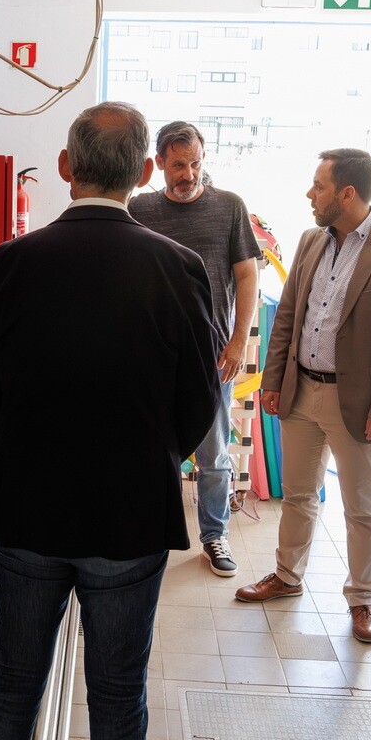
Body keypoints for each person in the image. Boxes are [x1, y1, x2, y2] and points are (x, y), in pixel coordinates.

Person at [0, 101, 220, 740]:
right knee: (117, 692)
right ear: (144, 173)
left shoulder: (8, 264)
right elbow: (197, 402)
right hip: (126, 516)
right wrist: (145, 456)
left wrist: (35, 447)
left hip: (30, 506)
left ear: (67, 166)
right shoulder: (179, 267)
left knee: (14, 679)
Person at [233, 149, 371, 644]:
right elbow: (291, 317)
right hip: (301, 392)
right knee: (297, 496)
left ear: (347, 193)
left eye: (318, 186)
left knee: (363, 509)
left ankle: (363, 600)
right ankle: (286, 576)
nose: (309, 194)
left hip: (358, 405)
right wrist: (273, 380)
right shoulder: (310, 240)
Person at [128, 121, 261, 578]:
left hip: (210, 355)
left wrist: (238, 339)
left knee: (214, 454)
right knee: (149, 448)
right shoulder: (140, 208)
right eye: (179, 165)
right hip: (151, 354)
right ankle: (149, 533)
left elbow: (247, 275)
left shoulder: (229, 207)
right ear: (159, 163)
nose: (188, 174)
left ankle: (213, 535)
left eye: (196, 164)